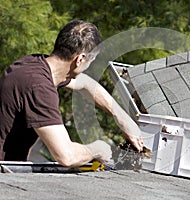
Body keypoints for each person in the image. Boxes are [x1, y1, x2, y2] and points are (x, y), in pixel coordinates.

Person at [0, 20, 144, 167]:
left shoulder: (34, 64)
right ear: (80, 59)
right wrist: (99, 149)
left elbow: (87, 84)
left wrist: (123, 119)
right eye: (91, 61)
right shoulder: (38, 87)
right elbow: (66, 156)